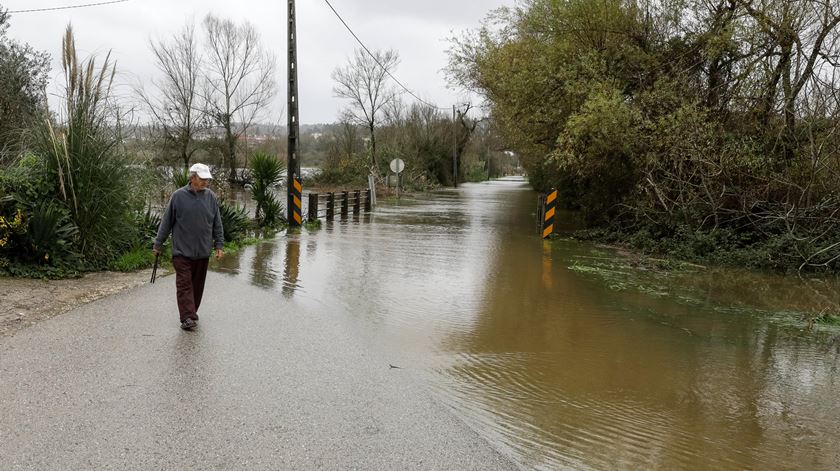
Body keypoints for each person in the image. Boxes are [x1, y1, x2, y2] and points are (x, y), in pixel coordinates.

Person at [153, 163, 224, 330]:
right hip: (182, 252)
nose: (206, 182)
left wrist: (219, 245)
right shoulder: (178, 196)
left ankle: (191, 312)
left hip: (202, 251)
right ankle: (186, 317)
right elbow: (167, 221)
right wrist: (158, 243)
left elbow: (217, 223)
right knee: (184, 284)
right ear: (192, 178)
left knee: (197, 286)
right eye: (202, 179)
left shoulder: (211, 197)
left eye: (207, 179)